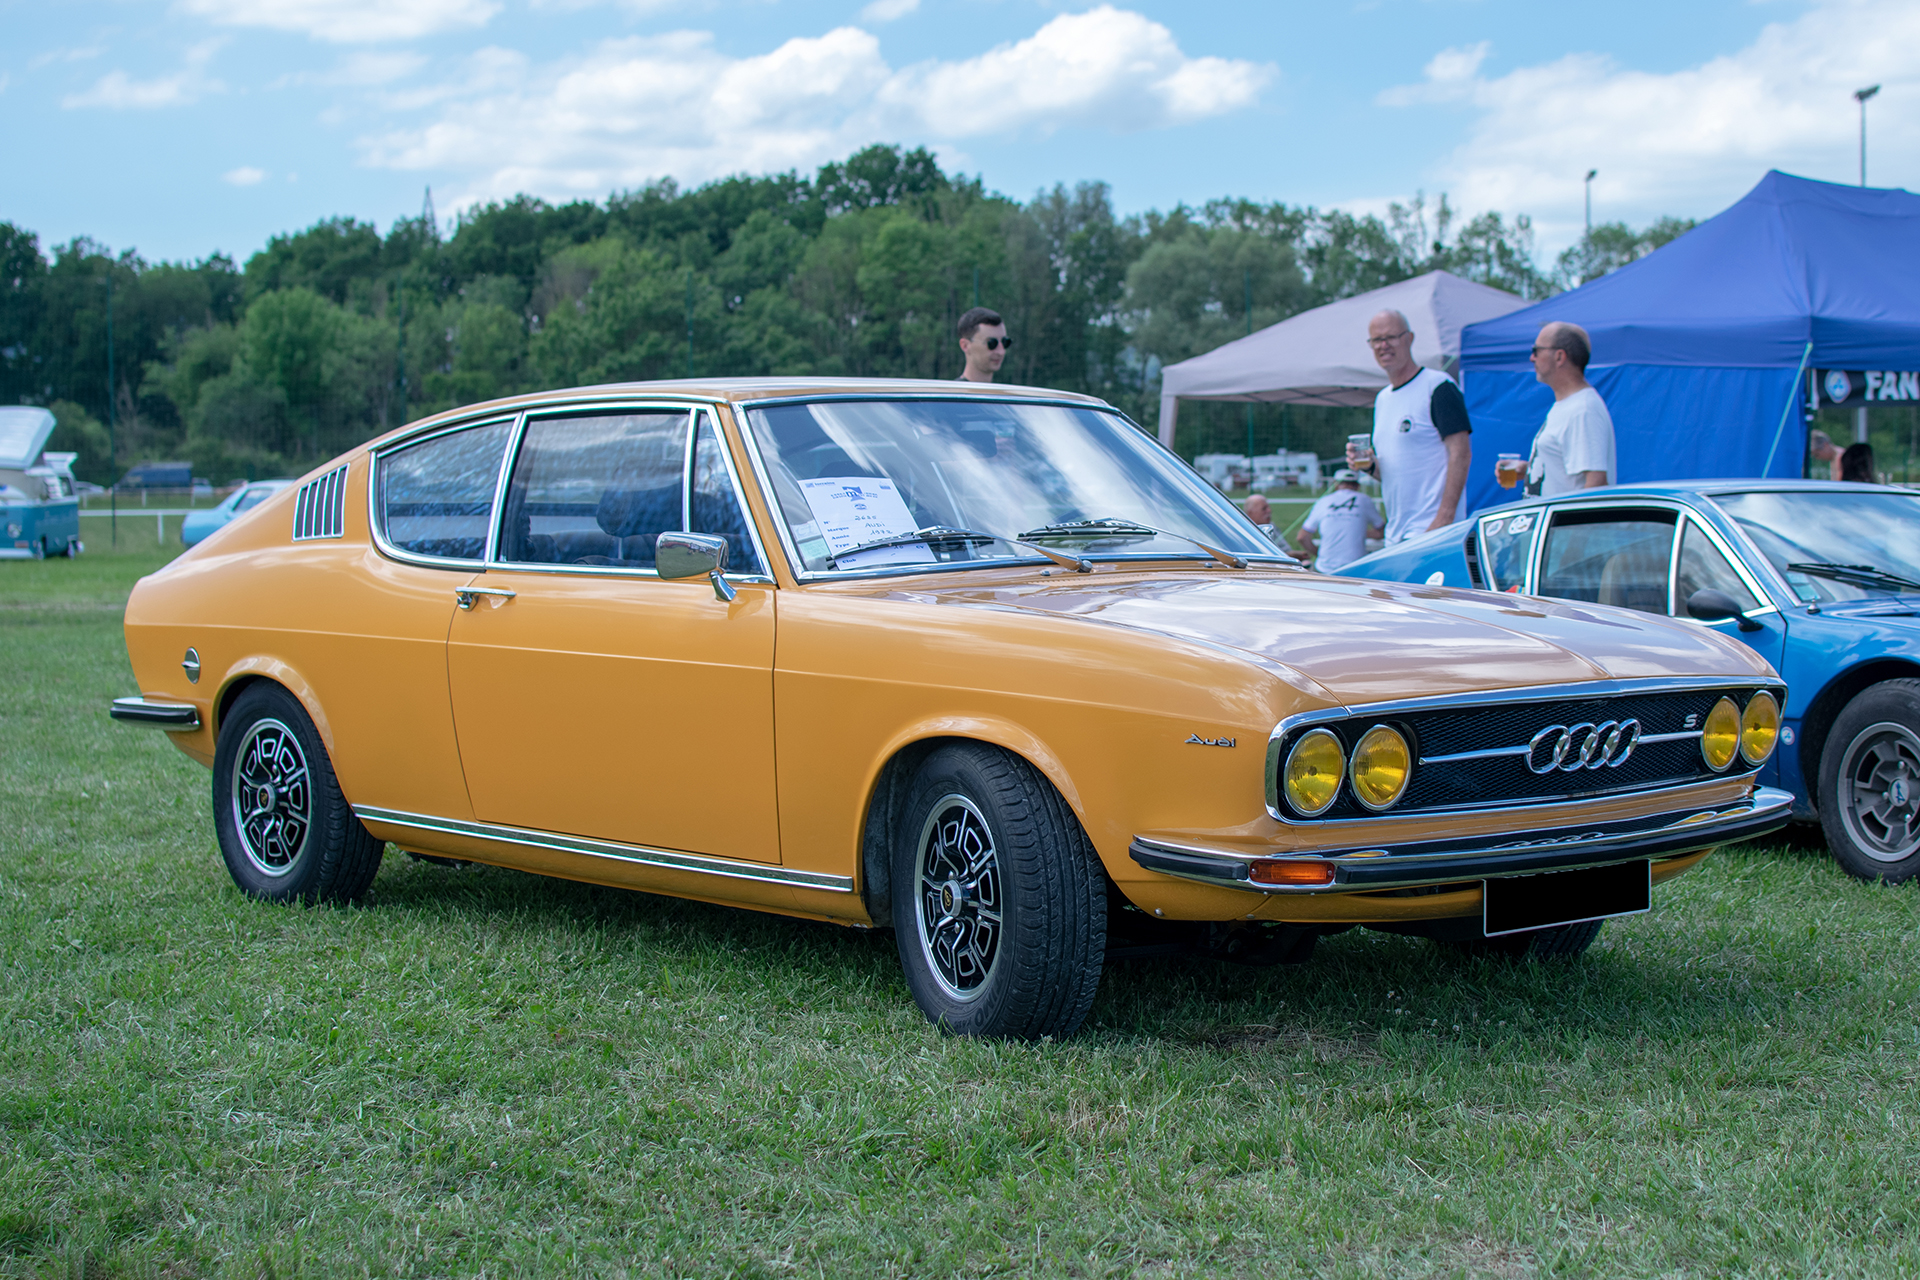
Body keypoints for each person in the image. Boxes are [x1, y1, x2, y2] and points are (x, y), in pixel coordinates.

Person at [1346, 309, 1471, 544]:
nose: (1384, 345)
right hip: (1396, 535)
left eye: (1391, 337)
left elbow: (1461, 453)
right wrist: (1369, 466)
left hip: (1434, 533)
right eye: (1377, 340)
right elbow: (1397, 475)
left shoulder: (1439, 386)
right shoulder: (1383, 399)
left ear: (1409, 338)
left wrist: (1443, 519)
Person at [1526, 321, 1614, 495]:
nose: (1532, 358)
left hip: (1563, 523)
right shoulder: (1568, 405)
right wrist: (1528, 470)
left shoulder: (1583, 410)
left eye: (1536, 351)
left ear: (1559, 356)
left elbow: (1596, 483)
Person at [1297, 469, 1385, 573]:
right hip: (1356, 567)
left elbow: (1302, 537)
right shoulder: (1364, 499)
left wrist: (1319, 554)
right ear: (1357, 485)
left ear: (1336, 484)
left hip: (1325, 568)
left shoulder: (1323, 501)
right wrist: (1358, 532)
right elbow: (1382, 531)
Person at [956, 307, 1010, 383]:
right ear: (965, 345)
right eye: (992, 343)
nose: (1001, 351)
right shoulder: (953, 394)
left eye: (1005, 342)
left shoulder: (1005, 393)